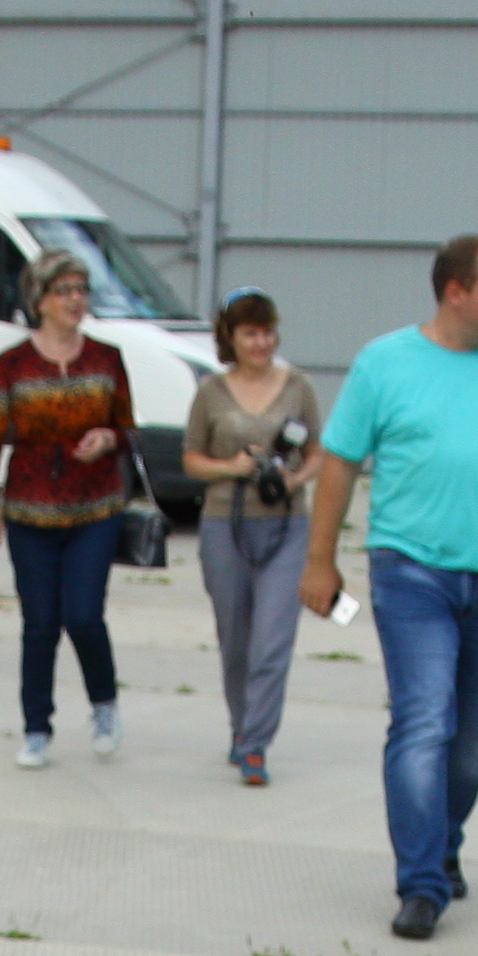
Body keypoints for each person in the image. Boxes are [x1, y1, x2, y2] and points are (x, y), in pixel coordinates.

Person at [299, 233, 478, 938]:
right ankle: (422, 883)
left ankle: (442, 841)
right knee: (425, 721)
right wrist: (319, 559)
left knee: (474, 741)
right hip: (412, 571)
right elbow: (338, 464)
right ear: (455, 291)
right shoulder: (385, 363)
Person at [0, 245, 134, 765]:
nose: (75, 300)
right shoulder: (13, 364)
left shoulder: (106, 358)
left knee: (84, 616)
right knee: (40, 622)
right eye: (64, 290)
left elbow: (128, 429)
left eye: (82, 290)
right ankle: (36, 726)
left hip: (95, 507)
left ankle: (104, 704)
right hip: (30, 510)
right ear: (39, 299)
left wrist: (109, 439)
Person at [180, 285, 322, 785]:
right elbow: (191, 459)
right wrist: (230, 466)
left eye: (267, 332)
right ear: (231, 338)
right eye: (249, 334)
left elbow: (321, 453)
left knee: (272, 640)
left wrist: (296, 479)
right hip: (225, 522)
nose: (261, 343)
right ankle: (241, 729)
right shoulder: (211, 392)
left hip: (286, 524)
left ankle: (257, 743)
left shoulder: (298, 387)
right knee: (236, 639)